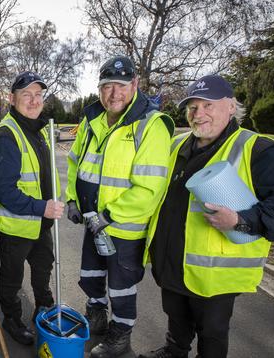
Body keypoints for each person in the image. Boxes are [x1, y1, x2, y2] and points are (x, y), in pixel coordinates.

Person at [140, 75, 274, 358]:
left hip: (214, 272)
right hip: (171, 261)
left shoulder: (257, 149)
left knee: (211, 332)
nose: (198, 114)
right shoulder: (176, 145)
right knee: (175, 316)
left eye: (207, 105)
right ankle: (174, 351)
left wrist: (241, 220)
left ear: (231, 107)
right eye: (193, 107)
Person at [66, 55, 174, 357]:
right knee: (91, 276)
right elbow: (75, 162)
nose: (113, 94)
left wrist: (109, 216)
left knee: (121, 286)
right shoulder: (92, 121)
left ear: (135, 85)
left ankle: (120, 335)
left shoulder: (150, 125)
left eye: (121, 86)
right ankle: (96, 318)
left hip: (124, 229)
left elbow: (150, 187)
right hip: (92, 221)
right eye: (107, 86)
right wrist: (72, 198)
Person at [0, 71, 64, 346]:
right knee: (12, 278)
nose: (33, 101)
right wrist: (42, 207)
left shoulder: (37, 130)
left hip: (40, 223)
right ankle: (11, 320)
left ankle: (43, 308)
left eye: (38, 95)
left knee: (43, 268)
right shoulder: (7, 136)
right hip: (17, 226)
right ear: (12, 99)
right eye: (26, 95)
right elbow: (4, 190)